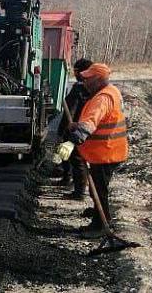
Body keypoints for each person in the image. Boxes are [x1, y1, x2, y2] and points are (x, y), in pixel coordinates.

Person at [67, 63, 128, 238]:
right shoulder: (110, 91)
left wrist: (72, 141)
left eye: (88, 79)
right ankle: (98, 219)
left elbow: (91, 122)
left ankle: (101, 225)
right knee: (98, 188)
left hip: (106, 152)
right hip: (107, 150)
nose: (84, 82)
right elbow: (100, 120)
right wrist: (76, 125)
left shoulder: (102, 98)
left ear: (98, 79)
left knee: (99, 189)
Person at [55, 58, 93, 199]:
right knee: (70, 156)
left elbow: (70, 110)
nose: (74, 73)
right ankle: (68, 178)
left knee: (76, 158)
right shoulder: (92, 88)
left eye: (76, 71)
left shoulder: (79, 88)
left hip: (76, 128)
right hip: (86, 128)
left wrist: (63, 129)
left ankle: (79, 192)